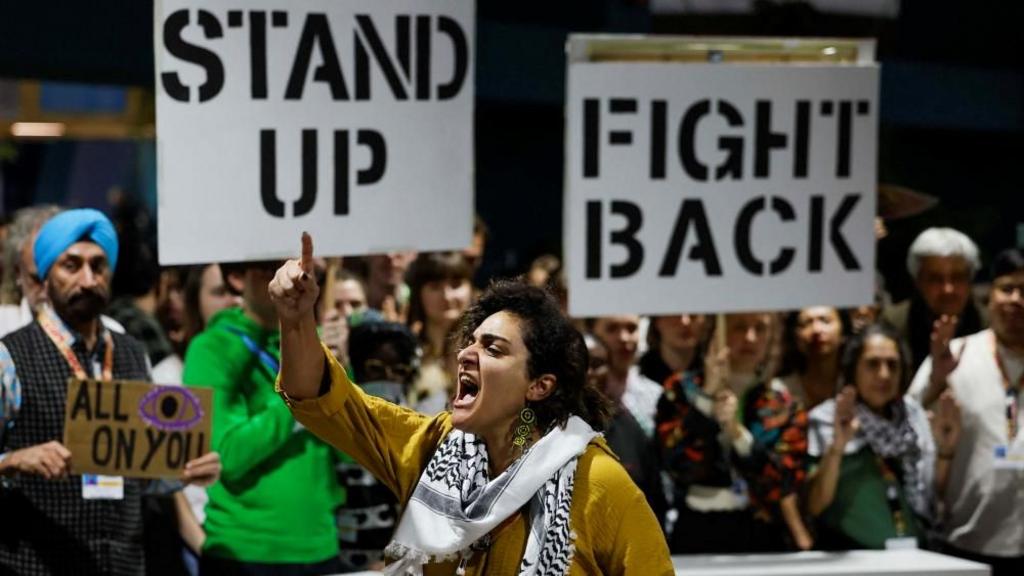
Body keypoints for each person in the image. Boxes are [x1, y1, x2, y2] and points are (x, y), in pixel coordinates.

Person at [271, 233, 673, 575]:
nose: (467, 353)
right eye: (471, 341)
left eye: (493, 349)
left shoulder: (599, 482)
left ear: (539, 385)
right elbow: (322, 399)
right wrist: (296, 320)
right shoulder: (436, 447)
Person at [0, 208, 220, 575]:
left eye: (98, 266)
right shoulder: (11, 355)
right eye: (71, 266)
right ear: (46, 276)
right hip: (35, 563)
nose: (88, 280)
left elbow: (141, 471)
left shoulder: (132, 352)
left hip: (122, 562)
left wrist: (184, 471)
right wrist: (13, 460)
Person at [182, 259, 344, 575]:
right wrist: (301, 394)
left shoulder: (321, 344)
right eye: (271, 268)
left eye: (297, 269)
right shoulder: (211, 348)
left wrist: (339, 371)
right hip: (243, 552)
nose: (288, 278)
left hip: (321, 545)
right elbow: (227, 456)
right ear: (237, 278)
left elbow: (352, 454)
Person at [909, 248, 1024, 576]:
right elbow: (904, 425)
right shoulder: (955, 356)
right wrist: (935, 381)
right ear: (988, 296)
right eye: (1007, 289)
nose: (1016, 300)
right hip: (966, 544)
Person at [656, 312, 811, 553]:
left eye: (760, 328)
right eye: (739, 327)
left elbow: (783, 482)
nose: (750, 338)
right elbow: (677, 464)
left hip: (760, 534)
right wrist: (706, 399)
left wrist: (737, 434)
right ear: (716, 333)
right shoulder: (680, 390)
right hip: (696, 531)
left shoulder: (783, 405)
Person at [806, 325, 960, 550]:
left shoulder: (914, 415)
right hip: (855, 558)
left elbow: (934, 493)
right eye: (872, 364)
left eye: (893, 365)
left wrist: (946, 451)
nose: (884, 374)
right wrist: (837, 447)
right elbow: (815, 505)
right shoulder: (829, 418)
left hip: (916, 553)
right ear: (852, 370)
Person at [336, 320, 419, 572]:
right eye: (375, 368)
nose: (387, 378)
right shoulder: (333, 425)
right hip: (331, 556)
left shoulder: (414, 432)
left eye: (398, 370)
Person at [584, 333, 667, 527]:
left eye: (597, 364)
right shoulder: (537, 426)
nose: (588, 373)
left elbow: (655, 498)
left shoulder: (630, 427)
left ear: (610, 370)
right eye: (578, 365)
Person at [882, 227, 985, 370]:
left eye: (957, 277)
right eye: (936, 279)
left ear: (971, 279)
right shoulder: (893, 324)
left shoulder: (991, 325)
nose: (948, 289)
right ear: (917, 281)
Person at [405, 252, 474, 414]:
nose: (447, 296)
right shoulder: (406, 352)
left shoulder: (486, 352)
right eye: (435, 287)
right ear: (419, 293)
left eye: (456, 285)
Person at [590, 315, 663, 439]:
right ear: (593, 335)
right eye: (612, 329)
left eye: (632, 328)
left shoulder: (654, 393)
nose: (624, 338)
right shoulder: (580, 395)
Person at [780, 306, 848, 410]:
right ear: (795, 336)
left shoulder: (857, 385)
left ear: (843, 331)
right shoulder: (780, 390)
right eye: (806, 323)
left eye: (825, 321)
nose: (816, 330)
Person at [639, 314, 708, 389]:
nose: (685, 322)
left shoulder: (712, 370)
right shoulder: (639, 374)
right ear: (657, 321)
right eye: (676, 314)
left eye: (693, 314)